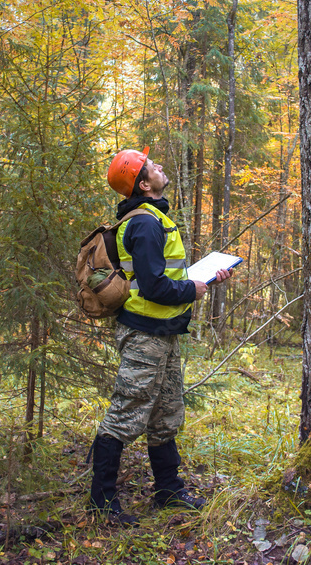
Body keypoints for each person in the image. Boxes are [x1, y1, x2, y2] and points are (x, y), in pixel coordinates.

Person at [89, 146, 232, 525]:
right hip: (144, 335)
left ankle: (169, 491)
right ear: (143, 182)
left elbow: (159, 278)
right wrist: (193, 290)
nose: (160, 166)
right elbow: (153, 287)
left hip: (162, 333)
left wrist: (201, 280)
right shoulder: (146, 223)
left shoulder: (152, 218)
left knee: (166, 414)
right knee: (125, 412)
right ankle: (101, 503)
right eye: (152, 165)